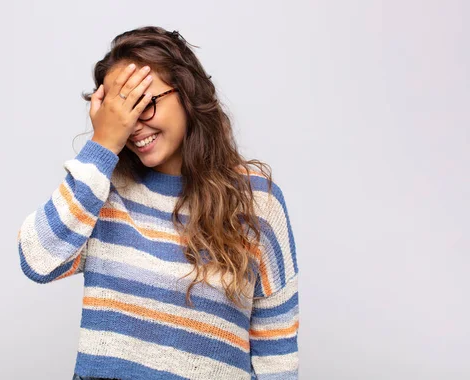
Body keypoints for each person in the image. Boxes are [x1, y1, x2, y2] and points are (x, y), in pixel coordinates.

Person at [17, 26, 299, 380]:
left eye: (145, 103)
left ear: (186, 93)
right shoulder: (100, 189)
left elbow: (277, 358)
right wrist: (102, 145)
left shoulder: (256, 200)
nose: (133, 125)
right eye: (120, 111)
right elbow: (36, 259)